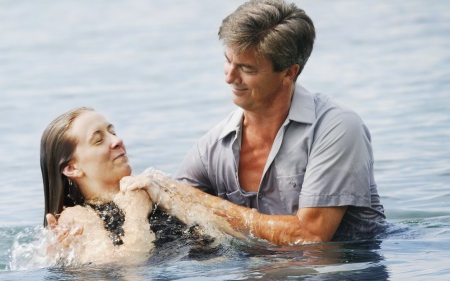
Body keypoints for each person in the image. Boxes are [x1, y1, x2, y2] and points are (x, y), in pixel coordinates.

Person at [174, 0, 388, 244]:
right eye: (228, 61)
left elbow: (311, 237)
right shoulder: (210, 149)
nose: (230, 77)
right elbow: (169, 209)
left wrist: (204, 203)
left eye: (247, 69)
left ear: (289, 73)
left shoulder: (338, 128)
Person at [41, 107, 250, 266]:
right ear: (71, 168)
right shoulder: (78, 217)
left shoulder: (155, 185)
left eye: (112, 132)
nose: (116, 140)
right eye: (98, 140)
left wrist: (167, 199)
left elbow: (238, 237)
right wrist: (135, 214)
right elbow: (123, 268)